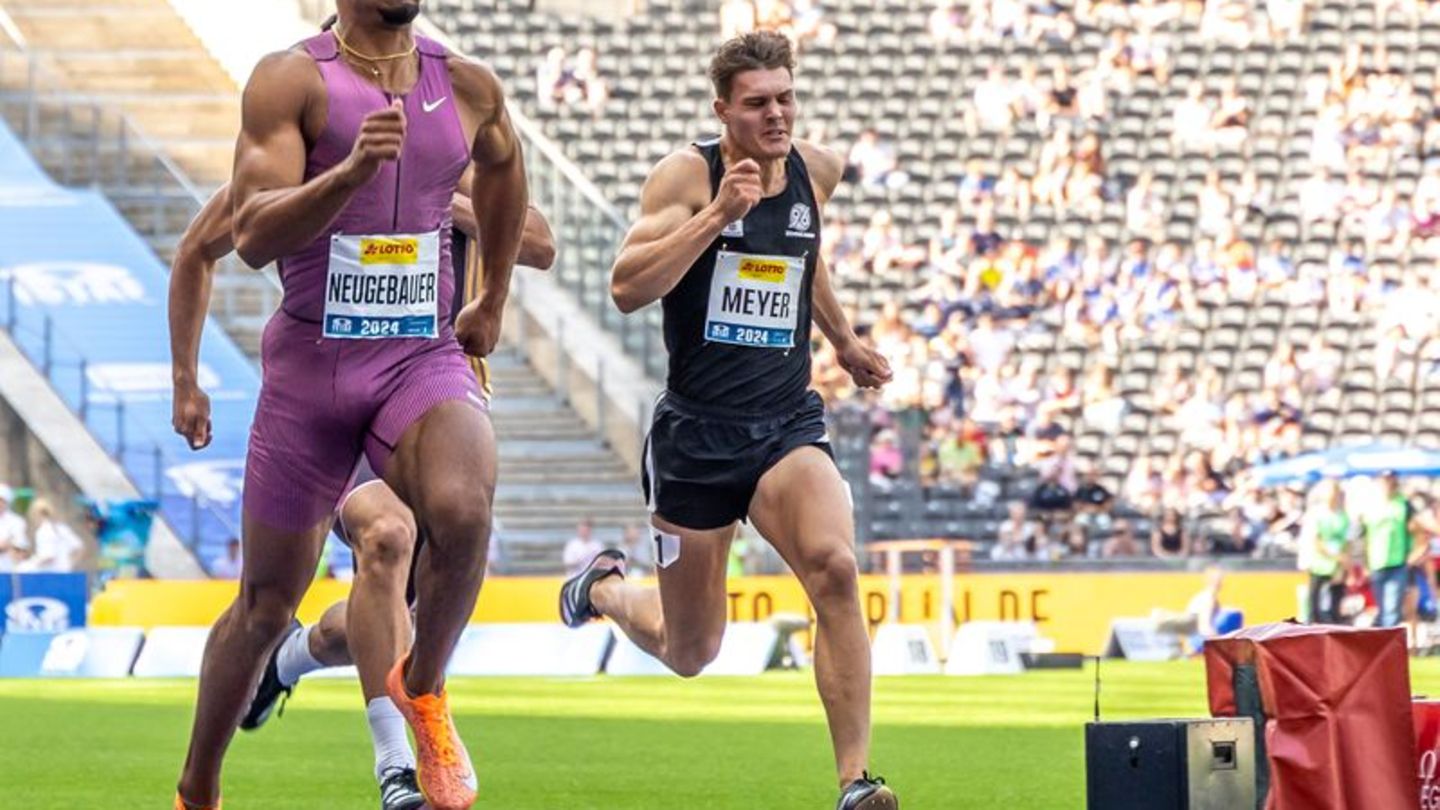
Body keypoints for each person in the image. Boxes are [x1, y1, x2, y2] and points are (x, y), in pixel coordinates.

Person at [168, 41, 554, 806]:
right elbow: (209, 248)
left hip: (419, 373)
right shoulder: (296, 142)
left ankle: (386, 698)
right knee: (319, 574)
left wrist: (441, 205)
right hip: (317, 384)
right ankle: (214, 783)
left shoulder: (452, 135)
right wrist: (186, 380)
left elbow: (537, 238)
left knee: (448, 525)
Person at [560, 32, 897, 810]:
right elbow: (625, 287)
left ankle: (854, 781)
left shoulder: (818, 171)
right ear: (723, 111)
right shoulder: (686, 175)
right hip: (696, 437)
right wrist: (717, 213)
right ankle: (605, 589)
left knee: (836, 570)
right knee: (689, 650)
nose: (776, 114)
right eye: (757, 103)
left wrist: (842, 339)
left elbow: (801, 256)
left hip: (784, 423)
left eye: (785, 97)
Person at [1364, 471, 1424, 629]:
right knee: (1382, 608)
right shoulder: (1371, 505)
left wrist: (1412, 556)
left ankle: (1388, 647)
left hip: (1398, 563)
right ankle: (1385, 643)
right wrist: (1365, 562)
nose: (1387, 485)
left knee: (1391, 609)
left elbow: (1417, 531)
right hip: (1376, 562)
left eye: (1390, 481)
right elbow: (1365, 535)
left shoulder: (1403, 504)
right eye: (1384, 481)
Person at [1302, 479, 1350, 624]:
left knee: (1334, 608)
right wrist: (1337, 557)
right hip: (1319, 565)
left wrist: (1342, 564)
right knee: (1314, 607)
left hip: (1336, 567)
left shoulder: (1343, 517)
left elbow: (1346, 542)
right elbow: (1317, 541)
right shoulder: (1317, 514)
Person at [18, 499, 85, 573]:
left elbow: (49, 556)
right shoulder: (62, 528)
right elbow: (79, 547)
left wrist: (30, 564)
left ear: (37, 514)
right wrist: (69, 565)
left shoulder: (43, 531)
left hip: (50, 577)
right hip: (65, 575)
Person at [0, 484, 29, 572]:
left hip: (9, 569)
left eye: (2, 501)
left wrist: (7, 544)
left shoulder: (16, 521)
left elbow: (19, 545)